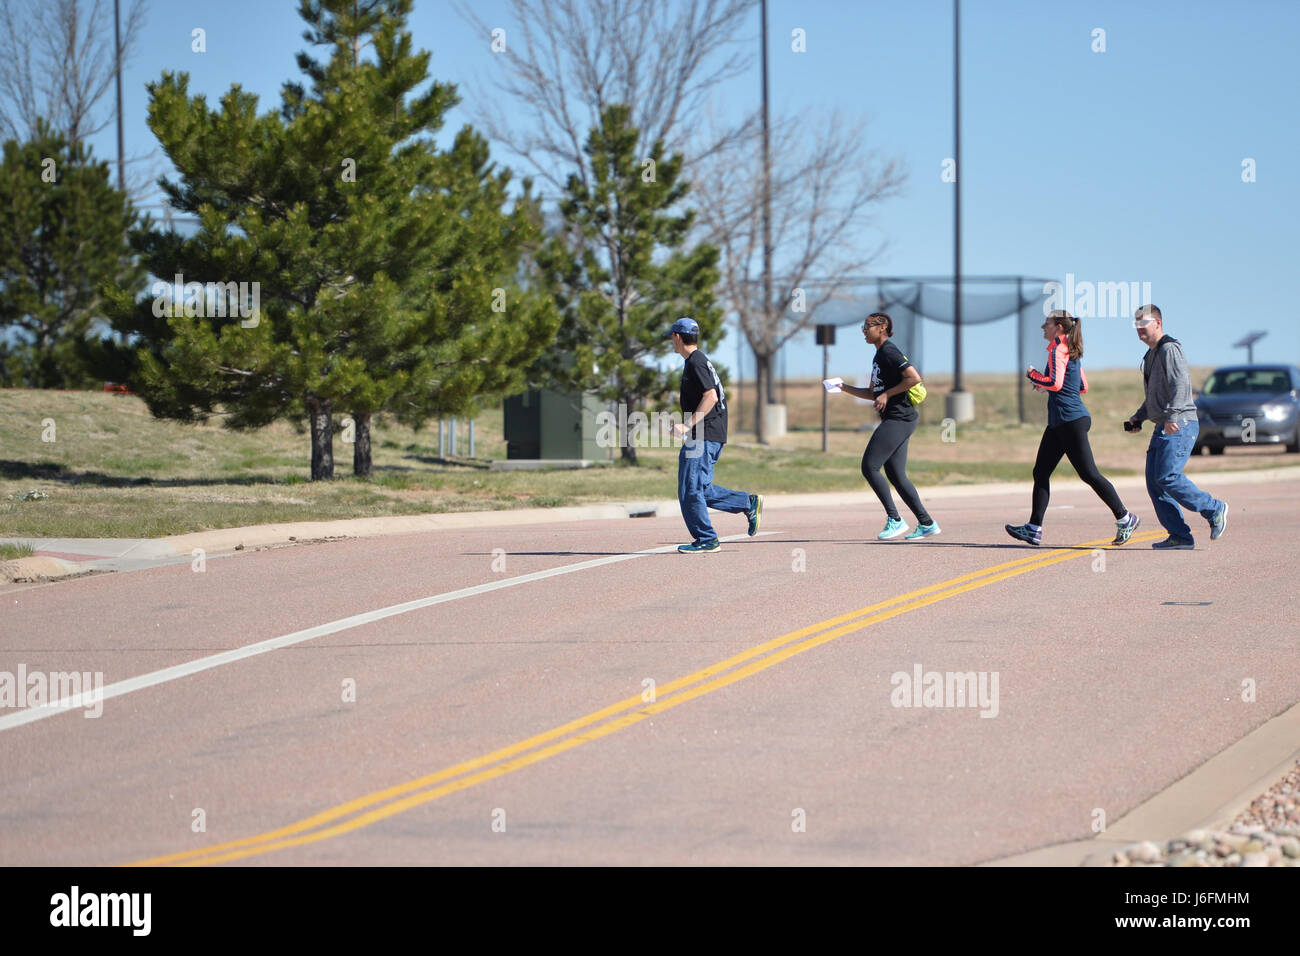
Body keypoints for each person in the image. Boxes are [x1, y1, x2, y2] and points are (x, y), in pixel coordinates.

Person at [1006, 310, 1140, 546]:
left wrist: (1034, 375)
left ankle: (1125, 517)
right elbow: (1082, 385)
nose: (1042, 327)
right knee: (1041, 472)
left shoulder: (1059, 349)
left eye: (1046, 323)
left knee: (1089, 474)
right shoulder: (1069, 348)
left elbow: (1057, 383)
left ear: (1058, 327)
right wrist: (1046, 386)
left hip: (1069, 421)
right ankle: (1034, 528)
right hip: (1062, 421)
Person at [1125, 304, 1228, 549]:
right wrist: (1138, 417)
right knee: (1154, 482)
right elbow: (1155, 396)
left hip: (1180, 423)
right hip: (1164, 423)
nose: (1139, 330)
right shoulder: (1151, 354)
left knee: (1167, 476)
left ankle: (1214, 508)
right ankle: (1180, 536)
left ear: (1158, 323)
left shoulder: (1170, 348)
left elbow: (1180, 385)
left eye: (1144, 324)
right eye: (1136, 325)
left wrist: (1172, 416)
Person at [834, 312, 939, 540]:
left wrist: (888, 395)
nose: (863, 330)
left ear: (882, 327)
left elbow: (914, 378)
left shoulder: (889, 352)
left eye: (867, 326)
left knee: (869, 467)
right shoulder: (878, 356)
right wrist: (843, 387)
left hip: (899, 418)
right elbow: (873, 393)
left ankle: (895, 519)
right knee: (896, 474)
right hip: (899, 418)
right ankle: (927, 523)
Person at [667, 317, 762, 553]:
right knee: (701, 488)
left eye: (671, 337)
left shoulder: (696, 362)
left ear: (677, 337)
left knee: (690, 490)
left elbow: (711, 397)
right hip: (710, 433)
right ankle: (747, 502)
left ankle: (707, 539)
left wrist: (687, 424)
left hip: (704, 435)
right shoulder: (699, 361)